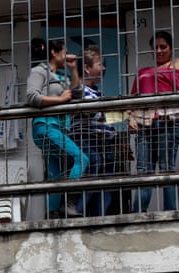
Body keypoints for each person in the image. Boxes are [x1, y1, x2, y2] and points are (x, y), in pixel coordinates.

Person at [128, 30, 179, 212]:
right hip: (144, 125)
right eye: (155, 47)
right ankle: (138, 214)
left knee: (167, 170)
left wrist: (173, 67)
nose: (159, 51)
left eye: (163, 47)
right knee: (144, 171)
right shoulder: (143, 72)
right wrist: (130, 118)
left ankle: (170, 213)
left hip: (167, 123)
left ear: (170, 48)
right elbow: (132, 100)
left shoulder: (177, 64)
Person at [27, 39, 88, 219]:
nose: (67, 55)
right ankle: (69, 204)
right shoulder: (39, 71)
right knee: (81, 159)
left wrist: (73, 69)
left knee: (56, 172)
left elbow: (77, 95)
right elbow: (32, 96)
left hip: (58, 128)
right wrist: (60, 100)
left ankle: (52, 213)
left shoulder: (62, 77)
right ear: (54, 52)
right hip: (46, 125)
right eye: (64, 52)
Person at [71, 45, 120, 216]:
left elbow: (104, 119)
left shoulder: (96, 92)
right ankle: (77, 210)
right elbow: (90, 111)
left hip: (101, 142)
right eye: (100, 64)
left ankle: (99, 216)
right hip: (86, 139)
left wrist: (115, 135)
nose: (104, 68)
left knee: (106, 178)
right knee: (94, 166)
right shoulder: (80, 91)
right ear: (87, 68)